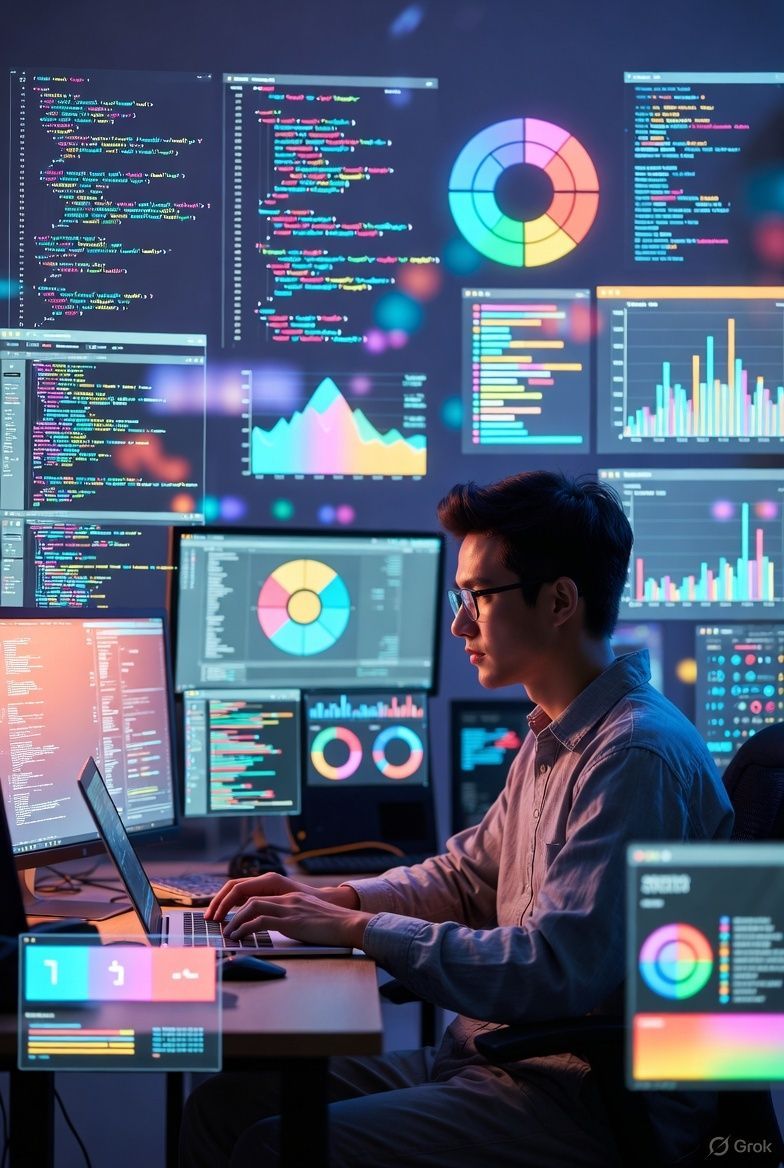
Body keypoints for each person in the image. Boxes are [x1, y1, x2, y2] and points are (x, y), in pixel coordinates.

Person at [180, 470, 733, 1168]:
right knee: (225, 1106)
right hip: (497, 1063)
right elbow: (469, 876)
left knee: (273, 1146)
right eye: (459, 596)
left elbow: (555, 969)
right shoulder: (555, 732)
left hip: (583, 1102)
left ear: (560, 601)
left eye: (479, 597)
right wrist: (332, 898)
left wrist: (360, 929)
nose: (459, 623)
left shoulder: (634, 756)